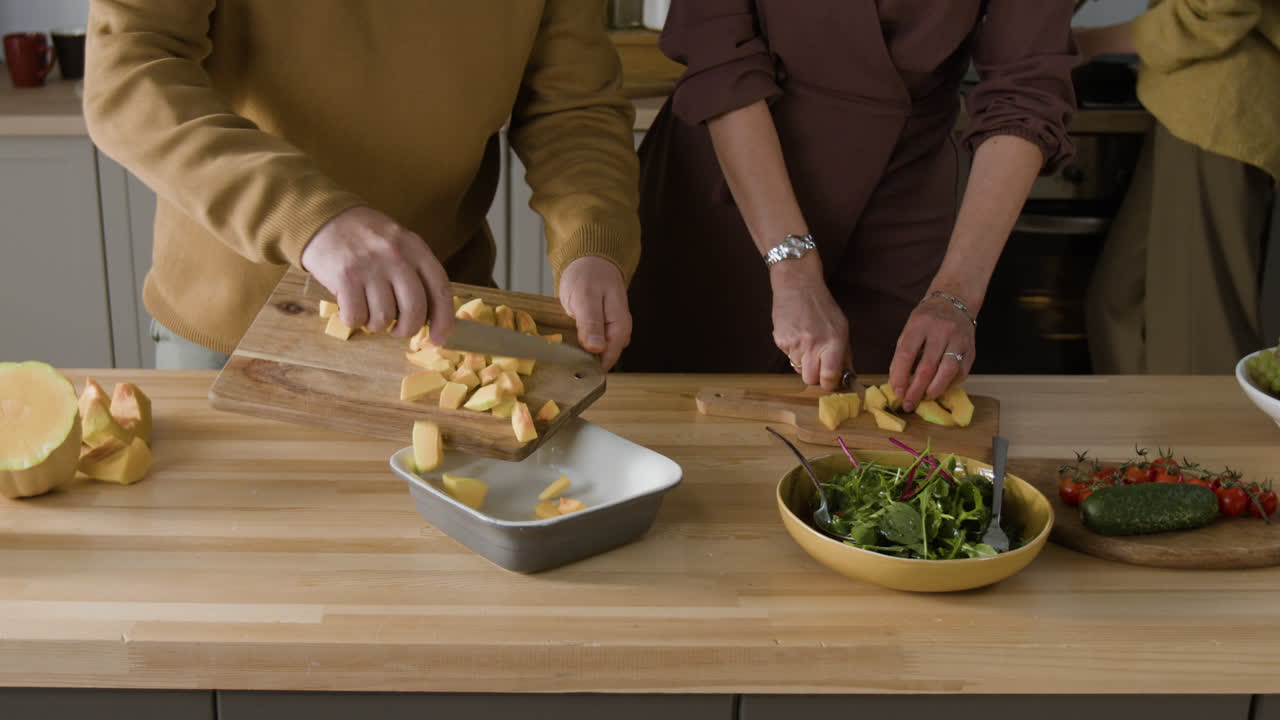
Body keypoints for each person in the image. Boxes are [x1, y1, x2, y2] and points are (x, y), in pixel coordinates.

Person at [83, 1, 640, 371]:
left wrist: (591, 241)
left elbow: (574, 107)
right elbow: (129, 72)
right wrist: (310, 217)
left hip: (445, 315)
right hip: (237, 326)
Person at [622, 1, 1079, 410]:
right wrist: (794, 271)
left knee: (879, 456)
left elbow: (1026, 92)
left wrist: (955, 296)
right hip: (728, 189)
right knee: (676, 429)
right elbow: (719, 54)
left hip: (901, 205)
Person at [1077, 0, 1279, 374]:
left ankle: (1216, 433)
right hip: (1187, 107)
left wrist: (1088, 42)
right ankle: (1155, 432)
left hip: (1218, 110)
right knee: (1123, 306)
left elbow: (1218, 9)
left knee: (1199, 332)